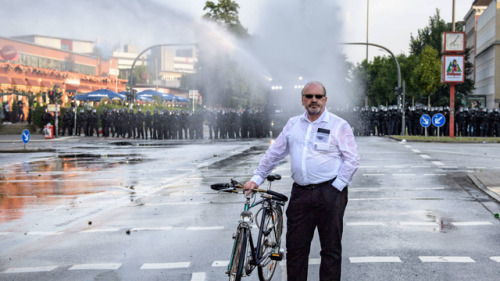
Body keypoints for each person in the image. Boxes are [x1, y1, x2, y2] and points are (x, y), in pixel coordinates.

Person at [243, 81, 359, 281]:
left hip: (329, 192)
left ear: (325, 100)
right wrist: (257, 178)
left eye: (318, 96)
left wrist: (336, 188)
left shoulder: (339, 125)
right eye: (309, 96)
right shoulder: (293, 124)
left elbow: (352, 160)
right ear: (302, 100)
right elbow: (275, 153)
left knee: (330, 250)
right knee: (296, 251)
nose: (313, 100)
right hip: (301, 194)